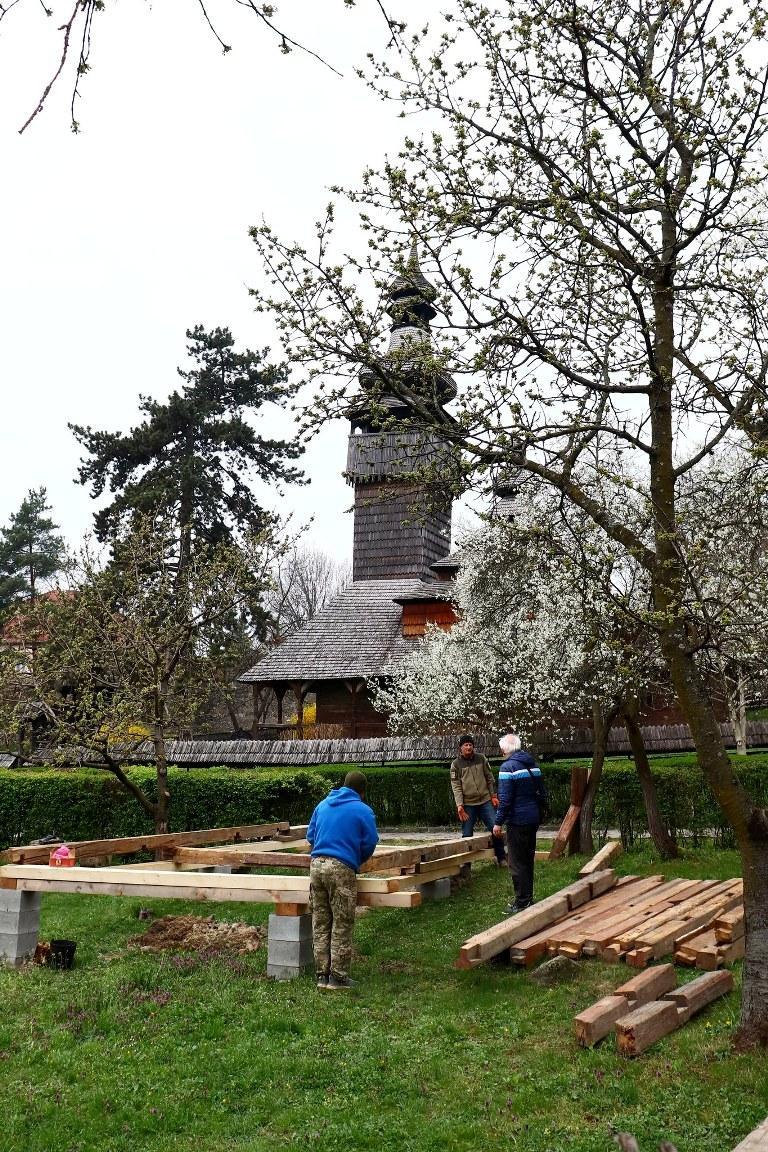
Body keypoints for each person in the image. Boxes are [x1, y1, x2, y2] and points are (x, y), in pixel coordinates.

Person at [306, 770, 379, 990]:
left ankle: (321, 975)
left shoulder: (323, 805)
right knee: (342, 922)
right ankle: (338, 978)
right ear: (362, 791)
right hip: (341, 868)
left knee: (320, 921)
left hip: (316, 866)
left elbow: (310, 836)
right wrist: (355, 859)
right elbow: (370, 841)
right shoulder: (363, 810)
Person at [493, 733, 547, 914]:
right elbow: (543, 792)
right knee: (528, 859)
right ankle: (528, 897)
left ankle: (522, 901)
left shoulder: (507, 768)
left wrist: (498, 822)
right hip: (533, 818)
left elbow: (505, 799)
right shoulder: (532, 764)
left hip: (517, 820)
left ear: (504, 749)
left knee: (516, 862)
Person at [449, 733, 506, 865]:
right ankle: (466, 864)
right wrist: (460, 805)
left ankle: (501, 857)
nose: (469, 747)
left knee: (495, 828)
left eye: (470, 745)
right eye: (466, 745)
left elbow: (489, 778)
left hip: (485, 800)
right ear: (460, 748)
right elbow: (456, 786)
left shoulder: (481, 758)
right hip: (468, 804)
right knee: (467, 834)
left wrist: (493, 796)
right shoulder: (456, 764)